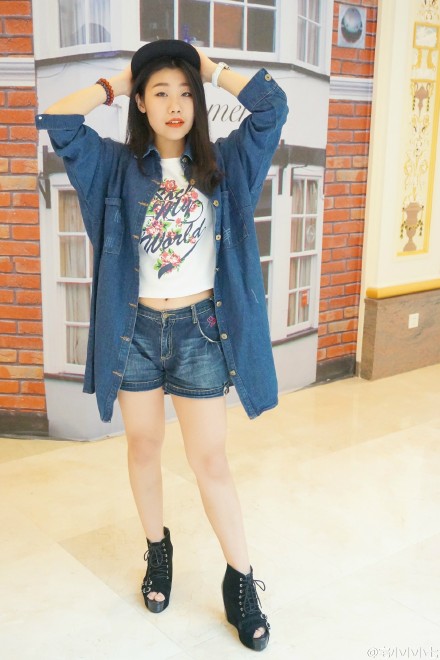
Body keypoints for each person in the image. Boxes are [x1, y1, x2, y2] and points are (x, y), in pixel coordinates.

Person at [36, 39, 288, 652]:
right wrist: (120, 81)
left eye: (185, 93)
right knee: (144, 448)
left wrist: (209, 68)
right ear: (142, 104)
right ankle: (158, 549)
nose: (175, 104)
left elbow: (272, 108)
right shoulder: (115, 166)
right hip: (137, 332)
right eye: (160, 92)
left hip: (202, 329)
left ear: (197, 102)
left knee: (210, 461)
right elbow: (60, 122)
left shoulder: (227, 163)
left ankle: (240, 579)